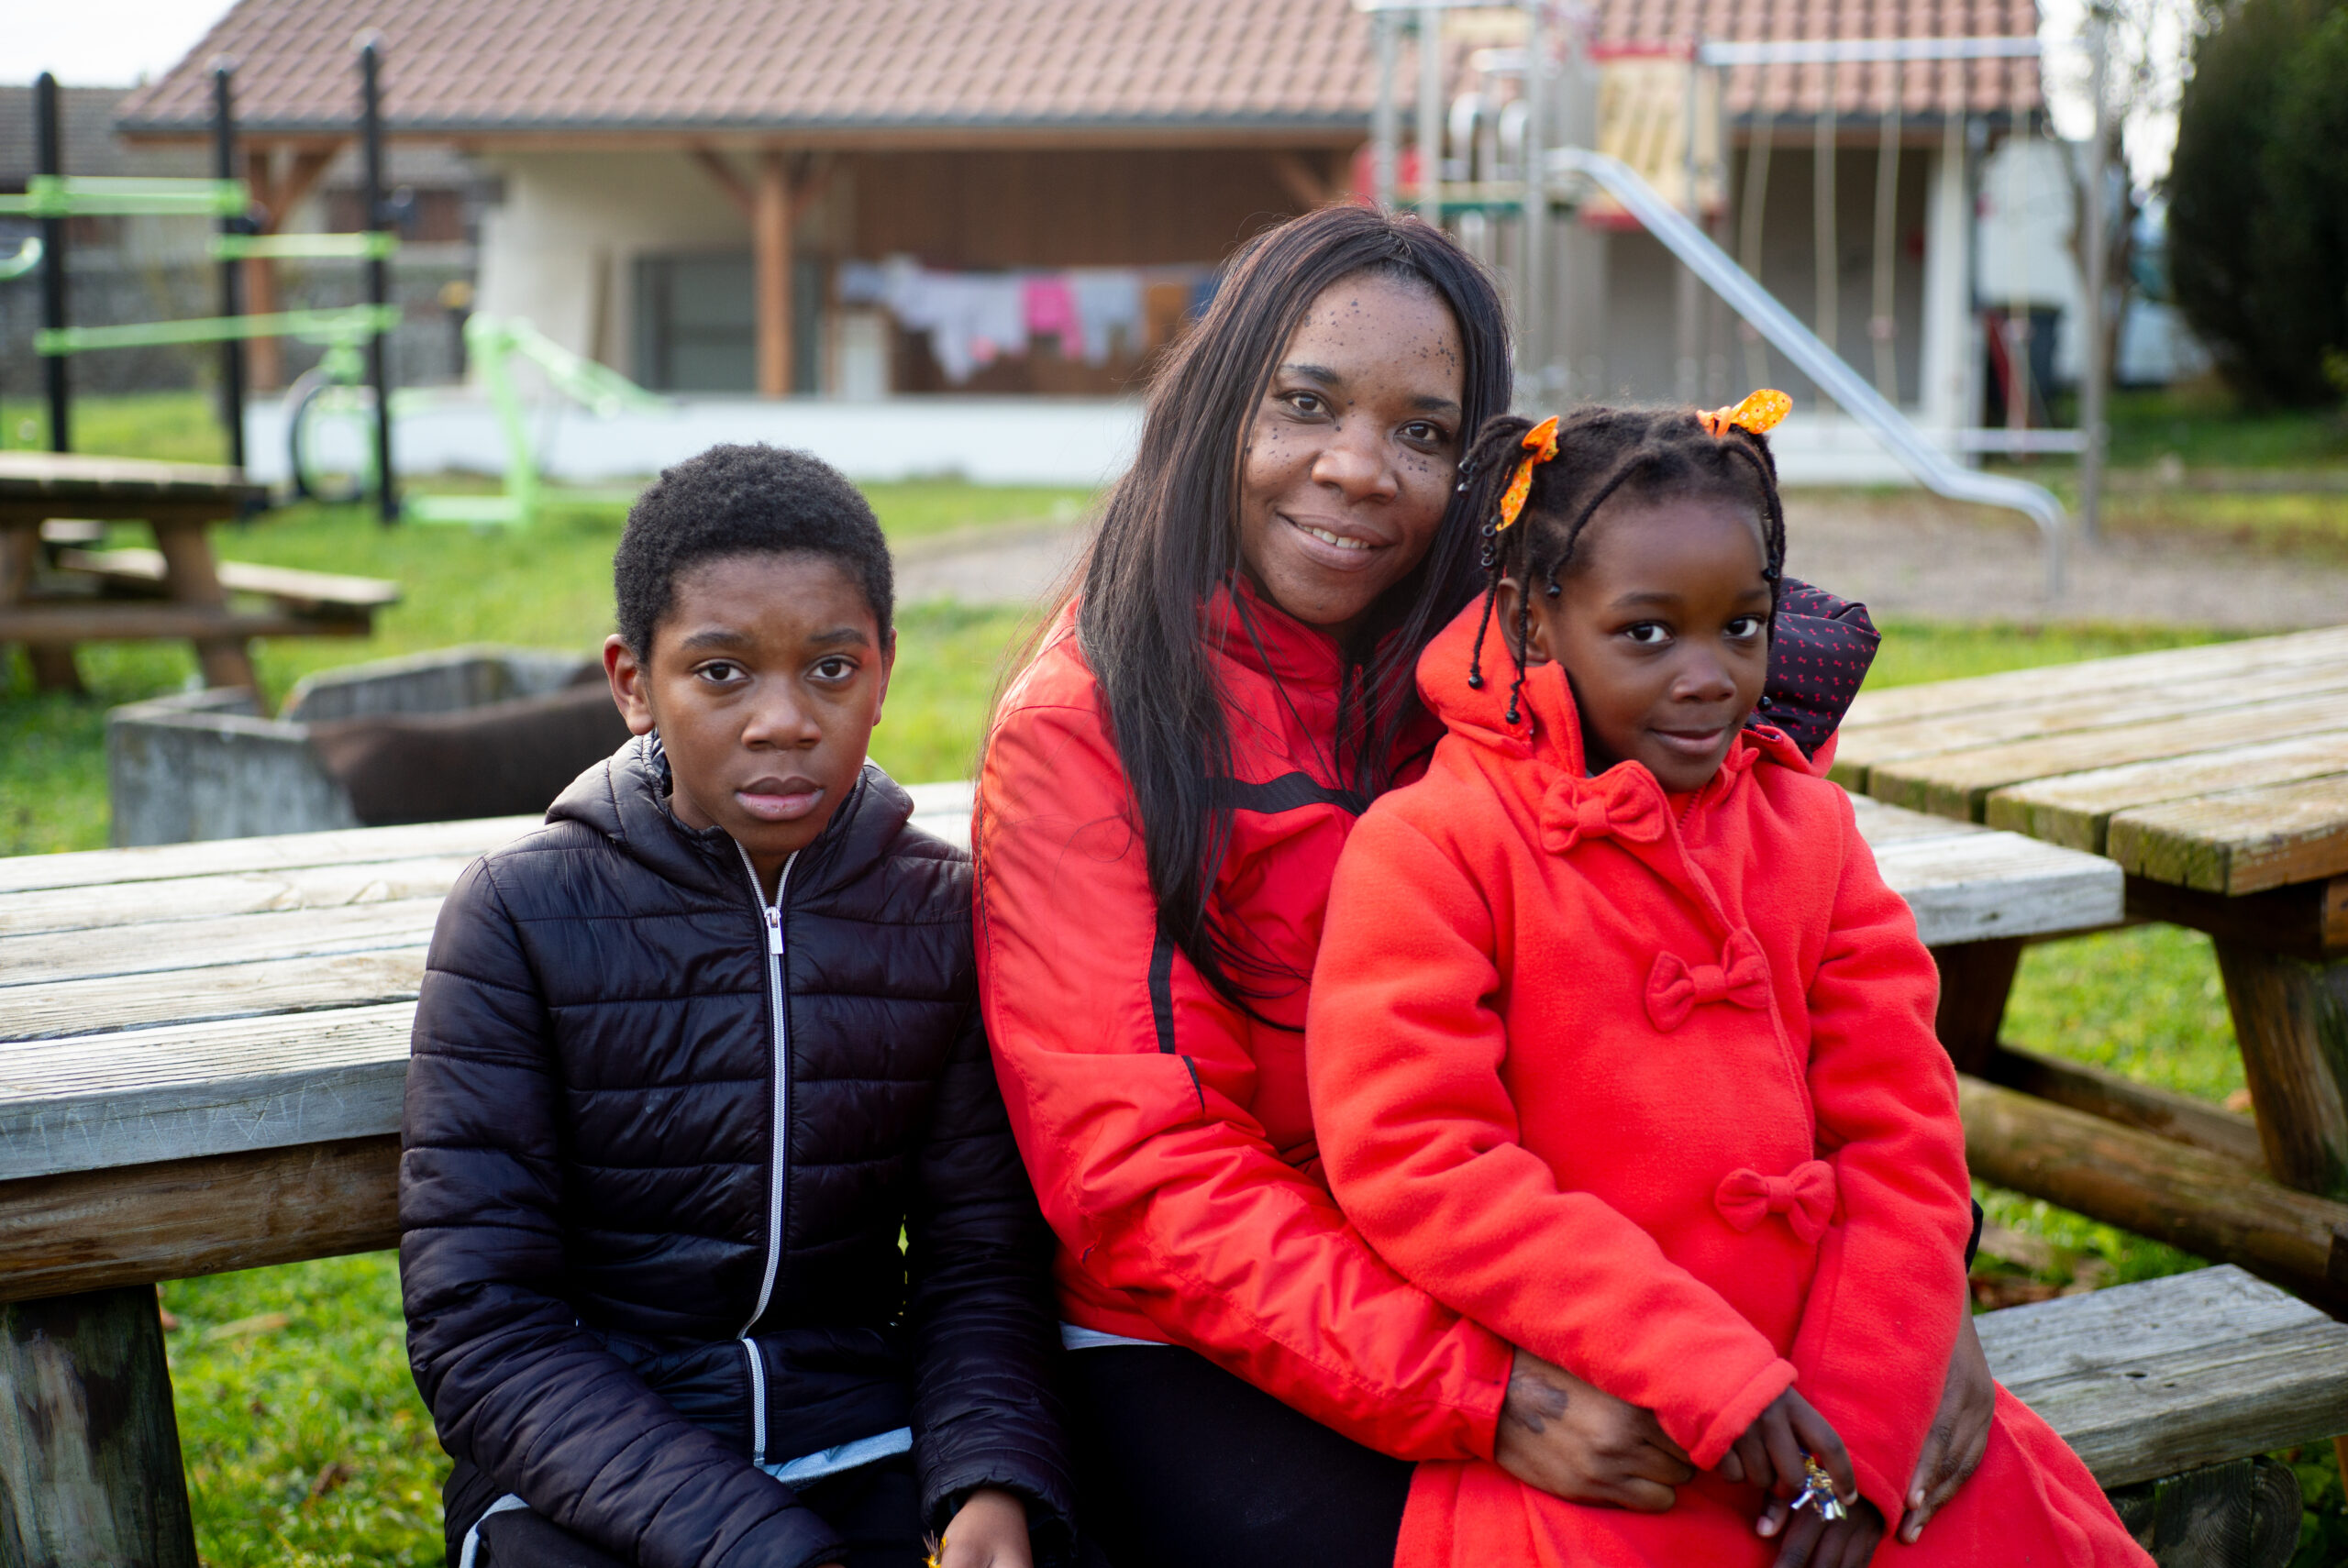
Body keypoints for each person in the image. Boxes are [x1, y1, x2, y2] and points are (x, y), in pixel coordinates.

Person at [973, 202, 1992, 1568]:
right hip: (1217, 1336)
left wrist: (1928, 1304)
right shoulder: (1087, 724)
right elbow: (1149, 1177)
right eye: (1307, 403)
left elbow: (1801, 1012)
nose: (1357, 468)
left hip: (1558, 1275)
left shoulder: (1517, 664)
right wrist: (1484, 1394)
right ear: (1220, 407)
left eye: (1424, 431)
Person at [1304, 400, 2152, 1568]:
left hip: (1845, 1401)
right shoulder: (1434, 848)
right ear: (1532, 622)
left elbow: (1903, 1131)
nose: (1708, 678)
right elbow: (1418, 1159)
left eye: (1741, 626)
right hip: (1613, 1420)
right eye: (1646, 634)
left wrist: (1861, 1428)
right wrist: (1704, 1369)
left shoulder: (1808, 828)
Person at [404, 444, 1074, 1568]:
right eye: (721, 674)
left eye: (829, 669)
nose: (783, 721)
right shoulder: (518, 919)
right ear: (631, 682)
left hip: (858, 1437)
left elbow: (979, 1262)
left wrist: (988, 1479)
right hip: (589, 1473)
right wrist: (765, 1547)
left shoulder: (940, 915)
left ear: (884, 670)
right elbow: (485, 1331)